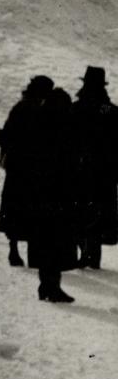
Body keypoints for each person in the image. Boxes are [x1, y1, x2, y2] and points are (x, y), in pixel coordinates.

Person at [0, 74, 54, 269]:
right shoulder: (45, 112)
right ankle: (32, 253)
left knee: (13, 208)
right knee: (33, 210)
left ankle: (13, 249)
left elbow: (6, 136)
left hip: (16, 168)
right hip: (37, 170)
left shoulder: (19, 109)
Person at [29, 88, 80, 303]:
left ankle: (46, 285)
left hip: (39, 193)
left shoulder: (39, 124)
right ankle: (53, 286)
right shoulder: (65, 127)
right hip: (60, 193)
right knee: (57, 242)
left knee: (43, 241)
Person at [73, 66, 118, 269]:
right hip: (105, 171)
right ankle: (94, 255)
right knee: (100, 211)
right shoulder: (112, 111)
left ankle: (84, 252)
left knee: (80, 210)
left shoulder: (75, 109)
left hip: (79, 169)